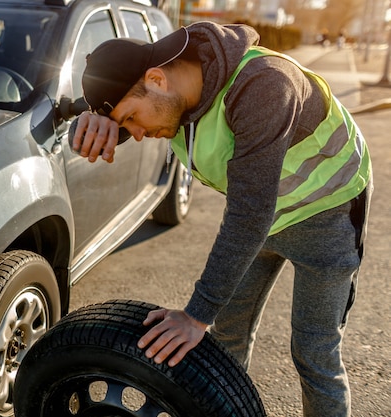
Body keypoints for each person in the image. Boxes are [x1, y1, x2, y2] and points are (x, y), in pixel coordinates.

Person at [71, 21, 372, 417]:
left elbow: (250, 212)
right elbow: (112, 109)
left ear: (157, 78)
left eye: (130, 119)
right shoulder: (172, 96)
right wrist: (92, 119)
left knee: (315, 355)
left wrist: (196, 314)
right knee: (227, 339)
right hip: (259, 223)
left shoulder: (265, 85)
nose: (136, 134)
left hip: (326, 218)